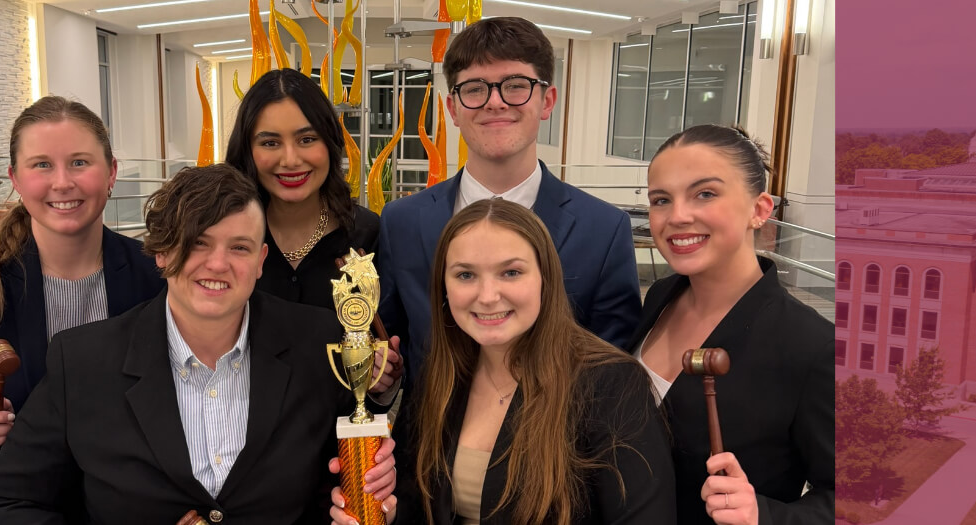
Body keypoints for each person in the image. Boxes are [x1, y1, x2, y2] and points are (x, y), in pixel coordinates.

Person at [0, 163, 397, 523]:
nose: (217, 263)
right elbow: (7, 501)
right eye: (198, 242)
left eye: (239, 247)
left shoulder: (318, 342)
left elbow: (337, 486)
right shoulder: (83, 361)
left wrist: (370, 496)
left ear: (259, 262)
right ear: (160, 251)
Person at [0, 96, 165, 524]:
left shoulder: (157, 276)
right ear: (15, 179)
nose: (62, 182)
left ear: (111, 172)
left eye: (80, 162)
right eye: (41, 165)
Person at [373, 198, 675, 525]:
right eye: (465, 275)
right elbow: (422, 506)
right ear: (443, 287)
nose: (487, 296)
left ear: (545, 277)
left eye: (511, 272)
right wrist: (387, 513)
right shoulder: (443, 375)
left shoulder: (611, 383)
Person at [376, 17, 640, 383]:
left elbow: (614, 372)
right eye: (474, 89)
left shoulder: (604, 230)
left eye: (516, 86)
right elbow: (393, 347)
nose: (495, 102)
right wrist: (382, 381)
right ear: (453, 109)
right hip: (429, 438)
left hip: (556, 437)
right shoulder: (401, 221)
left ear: (547, 101)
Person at [629, 124, 833, 524]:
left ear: (759, 210)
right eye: (661, 200)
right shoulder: (660, 296)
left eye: (705, 194)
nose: (677, 216)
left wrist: (763, 515)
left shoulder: (811, 346)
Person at [226, 67, 401, 395]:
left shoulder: (366, 234)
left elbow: (387, 348)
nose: (290, 159)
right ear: (248, 150)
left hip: (343, 442)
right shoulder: (227, 241)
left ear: (330, 143)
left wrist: (382, 380)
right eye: (270, 142)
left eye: (307, 139)